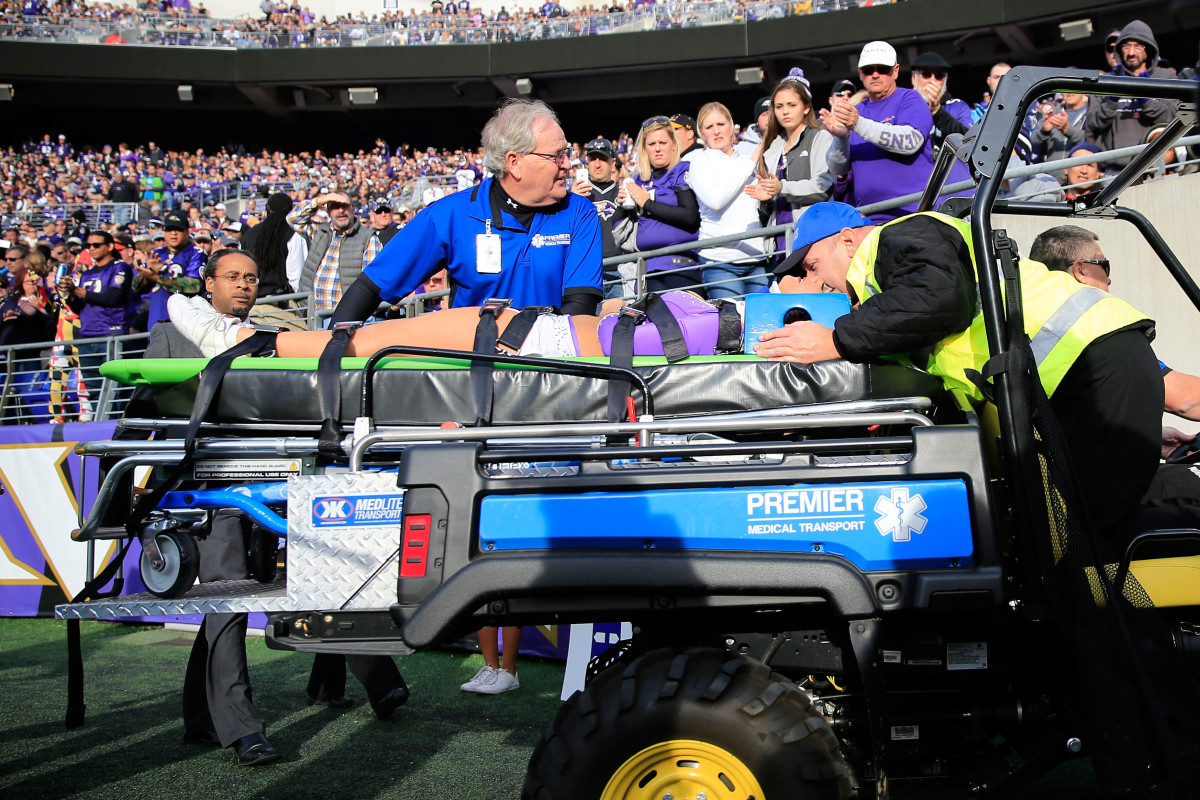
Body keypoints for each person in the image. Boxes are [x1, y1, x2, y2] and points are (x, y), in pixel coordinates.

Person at [754, 201, 1160, 546]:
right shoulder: (891, 284)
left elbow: (940, 299)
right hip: (1080, 371)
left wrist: (836, 341)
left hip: (1093, 362)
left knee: (1087, 533)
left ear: (846, 239)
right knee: (1063, 531)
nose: (815, 281)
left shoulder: (903, 234)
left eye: (813, 265)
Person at [146, 248, 280, 767]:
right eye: (233, 277)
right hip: (201, 487)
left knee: (286, 579)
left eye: (252, 278)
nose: (245, 286)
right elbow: (156, 405)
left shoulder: (266, 338)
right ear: (209, 283)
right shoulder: (171, 334)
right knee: (229, 594)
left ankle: (200, 716)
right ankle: (241, 727)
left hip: (266, 480)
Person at [328, 99, 603, 324]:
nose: (568, 164)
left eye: (566, 153)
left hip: (551, 374)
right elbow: (371, 286)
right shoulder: (451, 215)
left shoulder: (579, 214)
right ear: (515, 162)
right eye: (557, 155)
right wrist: (331, 353)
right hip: (474, 376)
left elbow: (580, 308)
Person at [821, 41, 936, 222]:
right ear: (860, 73)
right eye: (868, 70)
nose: (875, 75)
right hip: (870, 220)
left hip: (915, 213)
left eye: (882, 68)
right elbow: (838, 168)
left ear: (896, 71)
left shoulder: (910, 98)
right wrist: (841, 138)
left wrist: (857, 124)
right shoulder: (856, 110)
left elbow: (910, 142)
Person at [685, 101, 769, 298]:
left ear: (731, 125)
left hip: (757, 257)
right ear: (701, 132)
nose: (716, 131)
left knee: (763, 323)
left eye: (721, 124)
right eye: (709, 127)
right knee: (730, 324)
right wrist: (750, 164)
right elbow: (715, 200)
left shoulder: (749, 155)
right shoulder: (698, 160)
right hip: (719, 260)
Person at [751, 68, 834, 258]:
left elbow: (823, 187)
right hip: (779, 244)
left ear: (806, 107)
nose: (785, 111)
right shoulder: (771, 147)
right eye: (779, 106)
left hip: (812, 238)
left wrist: (782, 188)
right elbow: (769, 208)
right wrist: (764, 201)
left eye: (791, 104)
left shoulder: (820, 137)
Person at [619, 117, 701, 295]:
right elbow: (621, 236)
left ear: (673, 144)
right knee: (653, 322)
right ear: (644, 148)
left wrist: (647, 203)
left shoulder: (682, 170)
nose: (657, 149)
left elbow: (690, 217)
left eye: (663, 142)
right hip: (647, 268)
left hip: (681, 265)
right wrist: (622, 207)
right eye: (652, 143)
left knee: (678, 318)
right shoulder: (638, 180)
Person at [1086, 20, 1178, 171]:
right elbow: (1092, 125)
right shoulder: (1104, 82)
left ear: (1148, 49)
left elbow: (1174, 120)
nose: (1131, 53)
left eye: (1138, 46)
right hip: (1115, 172)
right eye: (1126, 46)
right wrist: (1112, 100)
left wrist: (1146, 99)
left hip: (1157, 167)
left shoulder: (1166, 78)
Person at [286, 189, 384, 319]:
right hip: (311, 314)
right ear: (328, 211)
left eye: (345, 206)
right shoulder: (319, 232)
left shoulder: (368, 239)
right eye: (335, 206)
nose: (341, 210)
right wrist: (319, 200)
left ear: (353, 209)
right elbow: (292, 219)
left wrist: (350, 310)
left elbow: (371, 284)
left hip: (344, 318)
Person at [56, 231, 131, 395]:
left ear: (109, 246)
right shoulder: (88, 274)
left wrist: (78, 291)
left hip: (110, 333)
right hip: (87, 334)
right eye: (89, 245)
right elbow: (80, 309)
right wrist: (69, 295)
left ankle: (115, 421)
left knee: (115, 390)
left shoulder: (119, 267)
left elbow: (112, 298)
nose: (91, 249)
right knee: (94, 390)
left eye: (96, 245)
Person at [571, 136, 631, 296]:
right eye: (593, 159)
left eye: (602, 159)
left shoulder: (623, 192)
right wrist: (570, 202)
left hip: (619, 270)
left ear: (612, 162)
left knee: (618, 320)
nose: (597, 164)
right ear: (586, 162)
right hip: (587, 271)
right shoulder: (575, 193)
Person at [137, 210, 204, 330]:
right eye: (169, 229)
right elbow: (137, 287)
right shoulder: (157, 253)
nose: (173, 233)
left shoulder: (196, 252)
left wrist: (158, 275)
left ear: (187, 231)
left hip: (184, 323)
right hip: (157, 318)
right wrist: (146, 272)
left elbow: (194, 286)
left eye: (178, 229)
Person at [1032, 90, 1090, 179]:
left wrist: (1067, 129)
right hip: (1051, 180)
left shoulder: (1091, 113)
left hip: (1081, 179)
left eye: (1074, 87)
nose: (1070, 92)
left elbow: (1092, 143)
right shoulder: (1052, 113)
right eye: (1066, 88)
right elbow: (1034, 147)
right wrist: (1044, 131)